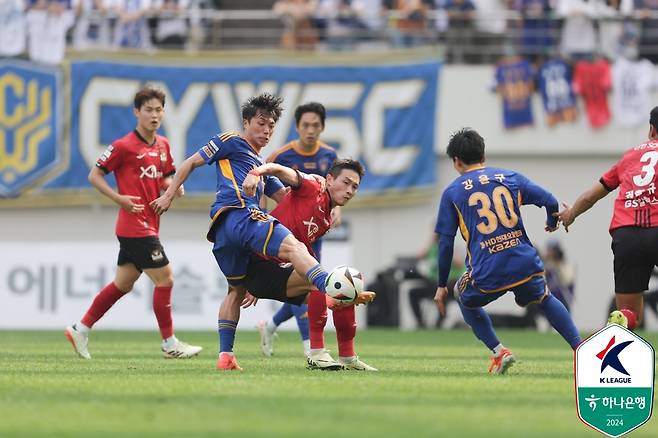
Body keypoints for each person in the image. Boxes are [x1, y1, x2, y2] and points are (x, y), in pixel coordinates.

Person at [150, 93, 371, 371]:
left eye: (271, 127)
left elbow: (287, 200)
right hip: (239, 214)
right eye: (261, 123)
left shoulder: (259, 161)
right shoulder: (231, 140)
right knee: (296, 249)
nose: (266, 131)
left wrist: (317, 203)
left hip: (225, 235)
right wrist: (169, 194)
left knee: (236, 289)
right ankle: (333, 285)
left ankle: (225, 356)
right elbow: (190, 162)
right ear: (246, 122)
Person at [64, 86, 203, 360]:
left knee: (122, 285)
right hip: (134, 225)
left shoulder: (163, 145)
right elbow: (95, 175)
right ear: (136, 112)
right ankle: (169, 344)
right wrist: (119, 199)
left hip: (149, 223)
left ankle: (80, 328)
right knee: (166, 280)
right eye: (148, 110)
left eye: (159, 110)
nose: (154, 115)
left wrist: (172, 187)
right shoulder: (123, 146)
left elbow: (166, 177)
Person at [434, 128, 581, 374]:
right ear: (483, 154)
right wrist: (552, 222)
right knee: (544, 297)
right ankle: (581, 351)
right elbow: (550, 200)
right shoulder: (509, 177)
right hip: (523, 262)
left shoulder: (452, 192)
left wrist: (440, 285)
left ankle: (499, 351)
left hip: (488, 268)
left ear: (456, 161)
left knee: (461, 293)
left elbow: (446, 243)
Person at [249, 159, 377, 371]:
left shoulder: (327, 218)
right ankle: (316, 353)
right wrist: (255, 173)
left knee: (342, 293)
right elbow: (277, 169)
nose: (349, 190)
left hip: (277, 271)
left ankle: (348, 357)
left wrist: (350, 294)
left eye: (354, 187)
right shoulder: (312, 185)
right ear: (329, 179)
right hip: (259, 264)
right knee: (321, 281)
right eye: (345, 182)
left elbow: (300, 252)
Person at [557, 106, 658, 330]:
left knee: (629, 315)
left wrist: (571, 214)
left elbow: (594, 193)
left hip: (626, 235)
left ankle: (619, 353)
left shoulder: (630, 156)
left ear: (651, 130)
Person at [258, 102, 337, 359]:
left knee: (307, 285)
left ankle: (270, 326)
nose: (310, 130)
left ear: (322, 127)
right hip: (285, 232)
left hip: (315, 232)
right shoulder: (282, 155)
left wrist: (337, 211)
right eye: (306, 125)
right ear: (297, 127)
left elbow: (336, 193)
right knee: (306, 284)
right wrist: (260, 216)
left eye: (316, 125)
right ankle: (309, 346)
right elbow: (261, 180)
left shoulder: (329, 156)